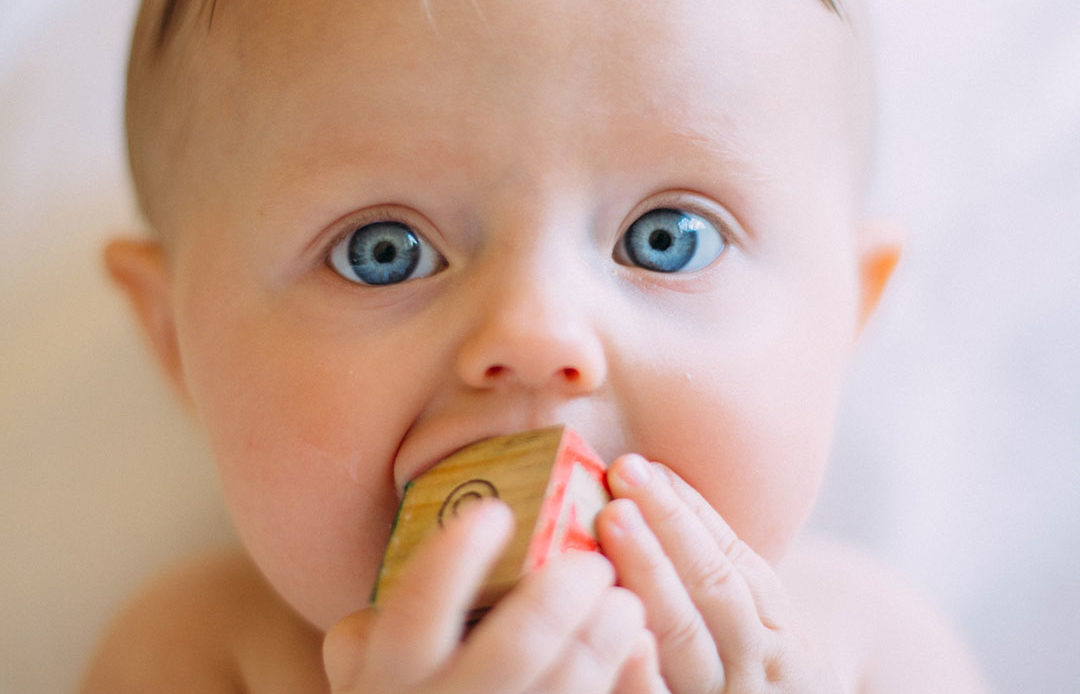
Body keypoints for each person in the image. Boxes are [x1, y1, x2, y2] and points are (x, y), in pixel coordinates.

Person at [82, 0, 987, 691]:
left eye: (667, 236)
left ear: (844, 323)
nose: (536, 332)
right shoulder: (190, 657)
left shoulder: (875, 655)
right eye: (383, 253)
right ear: (177, 341)